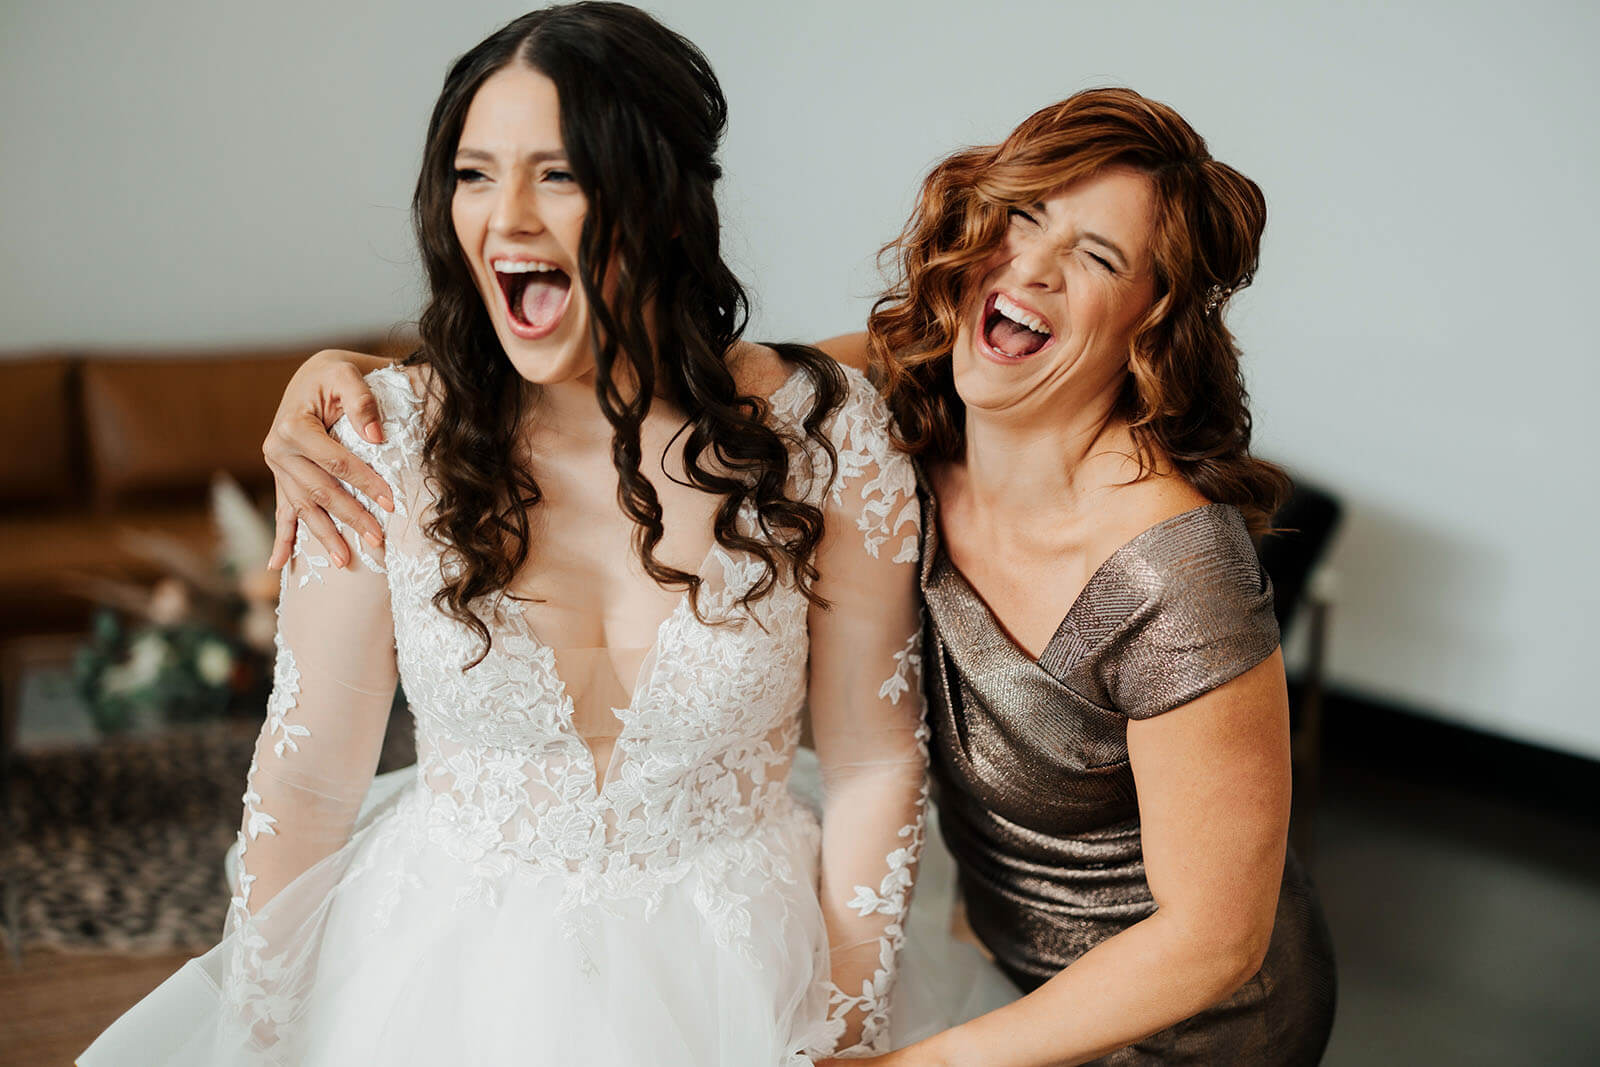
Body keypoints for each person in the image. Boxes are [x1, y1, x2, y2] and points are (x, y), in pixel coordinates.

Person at [263, 90, 1338, 1064]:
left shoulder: (1175, 573)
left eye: (1096, 256)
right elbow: (645, 371)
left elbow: (1215, 940)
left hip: (1188, 1026)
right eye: (1021, 216)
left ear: (1153, 316)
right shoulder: (904, 392)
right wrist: (352, 385)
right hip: (1014, 976)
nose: (1032, 267)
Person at [80, 5, 932, 1064]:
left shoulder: (825, 436)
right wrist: (253, 1041)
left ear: (665, 204)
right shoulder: (381, 441)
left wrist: (846, 1028)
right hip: (440, 982)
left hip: (753, 972)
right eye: (473, 175)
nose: (506, 219)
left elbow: (871, 760)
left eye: (558, 174)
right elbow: (307, 782)